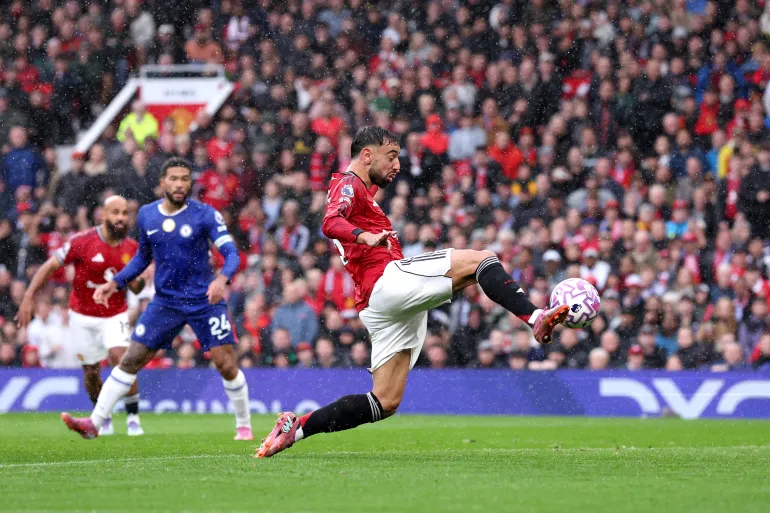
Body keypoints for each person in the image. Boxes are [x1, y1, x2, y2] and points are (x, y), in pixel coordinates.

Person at [256, 127, 568, 458]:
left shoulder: (362, 188)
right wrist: (363, 236)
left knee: (384, 402)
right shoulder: (347, 184)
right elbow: (330, 222)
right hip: (386, 282)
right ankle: (534, 316)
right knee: (482, 260)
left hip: (377, 305)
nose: (397, 165)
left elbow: (360, 190)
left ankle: (297, 428)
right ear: (366, 155)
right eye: (391, 157)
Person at [60, 158, 253, 441]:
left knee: (226, 365)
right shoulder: (147, 215)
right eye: (173, 178)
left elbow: (232, 253)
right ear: (163, 182)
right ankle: (95, 422)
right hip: (166, 302)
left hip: (203, 301)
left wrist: (222, 279)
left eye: (185, 179)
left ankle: (244, 425)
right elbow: (141, 258)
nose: (179, 184)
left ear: (190, 183)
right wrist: (115, 283)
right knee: (130, 359)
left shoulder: (205, 215)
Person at [17, 196, 146, 436]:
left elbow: (137, 288)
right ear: (103, 215)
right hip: (82, 315)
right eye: (115, 213)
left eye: (124, 213)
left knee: (122, 358)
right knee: (91, 371)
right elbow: (49, 267)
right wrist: (28, 296)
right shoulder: (81, 241)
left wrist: (137, 280)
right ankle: (101, 417)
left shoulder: (131, 247)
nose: (120, 218)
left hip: (115, 313)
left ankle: (133, 418)